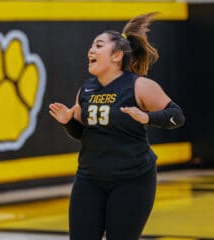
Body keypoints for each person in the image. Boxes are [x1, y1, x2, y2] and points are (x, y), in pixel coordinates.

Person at [49, 12, 185, 240]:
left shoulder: (139, 86)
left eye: (99, 45)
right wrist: (68, 122)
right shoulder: (86, 89)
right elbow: (82, 134)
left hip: (132, 180)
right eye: (91, 46)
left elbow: (176, 116)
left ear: (116, 56)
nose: (91, 50)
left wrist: (147, 118)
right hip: (90, 179)